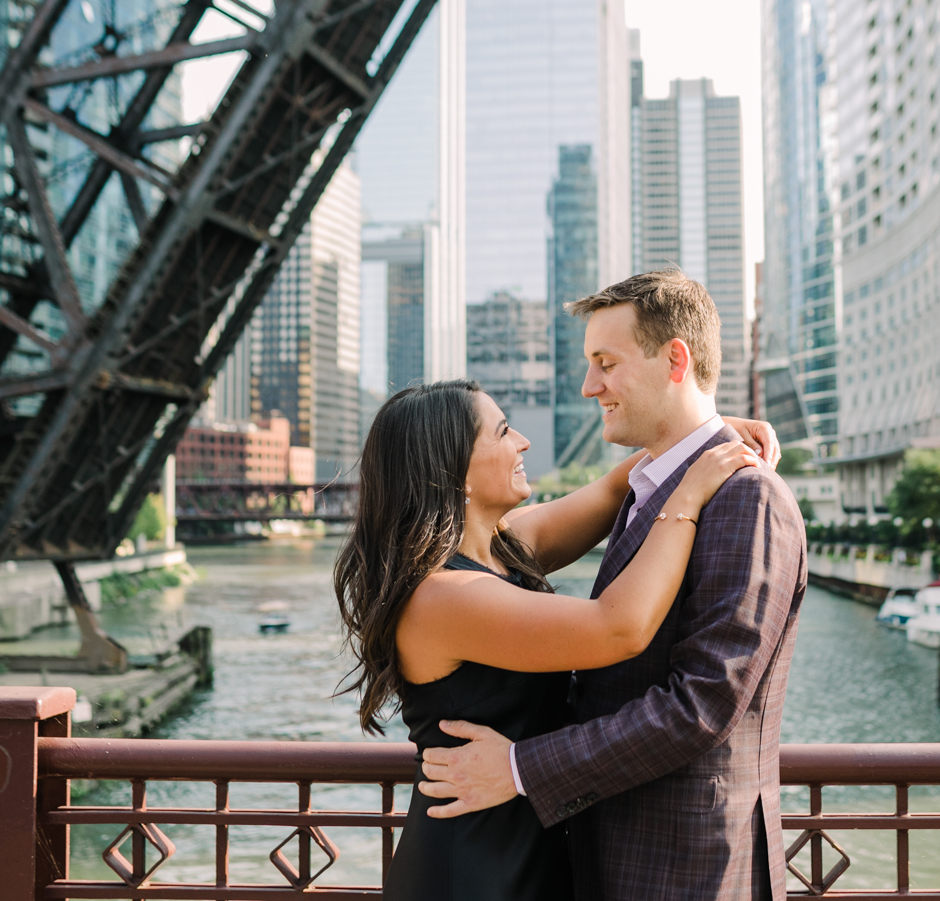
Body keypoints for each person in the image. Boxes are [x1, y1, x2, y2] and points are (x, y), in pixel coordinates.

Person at [417, 270, 809, 901]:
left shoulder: (744, 498)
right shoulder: (660, 490)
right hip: (593, 852)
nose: (588, 385)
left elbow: (703, 705)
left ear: (675, 359)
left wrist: (520, 768)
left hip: (686, 868)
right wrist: (695, 437)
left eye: (606, 362)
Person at [334, 377, 781, 901]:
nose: (522, 442)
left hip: (527, 839)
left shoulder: (502, 551)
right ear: (453, 473)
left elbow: (617, 488)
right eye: (502, 433)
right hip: (474, 866)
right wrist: (689, 494)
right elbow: (621, 627)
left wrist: (710, 431)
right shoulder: (441, 598)